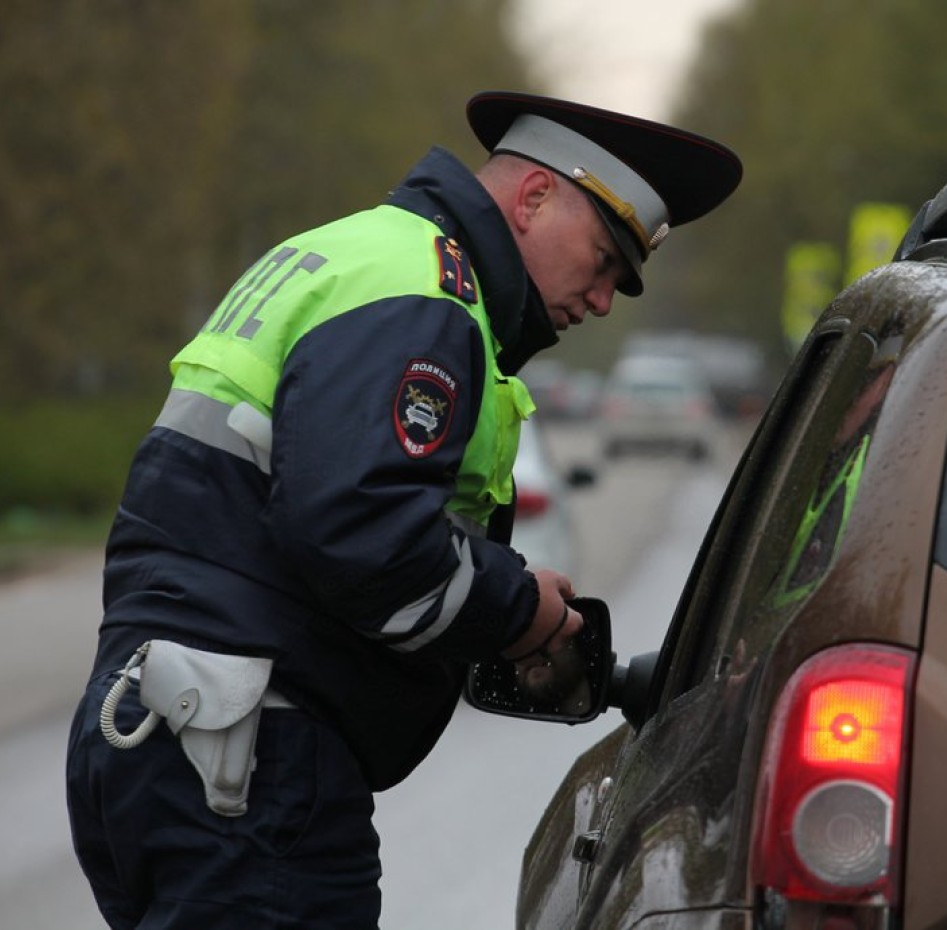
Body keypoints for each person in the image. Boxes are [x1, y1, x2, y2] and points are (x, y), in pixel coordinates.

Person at [65, 90, 742, 929]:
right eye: (604, 260)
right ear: (533, 200)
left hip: (160, 733)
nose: (602, 300)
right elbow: (363, 536)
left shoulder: (344, 253)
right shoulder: (425, 293)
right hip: (250, 763)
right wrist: (519, 610)